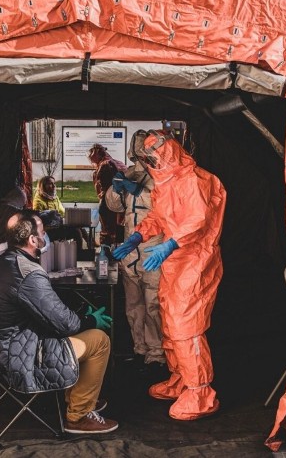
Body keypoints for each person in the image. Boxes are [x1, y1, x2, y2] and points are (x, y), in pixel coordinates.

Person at [113, 130, 226, 421]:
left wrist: (172, 243)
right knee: (169, 323)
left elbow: (197, 220)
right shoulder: (166, 182)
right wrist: (137, 237)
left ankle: (200, 391)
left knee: (186, 327)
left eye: (154, 157)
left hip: (195, 262)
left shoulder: (193, 179)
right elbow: (157, 216)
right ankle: (180, 380)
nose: (151, 162)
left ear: (169, 152)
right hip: (175, 262)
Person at [0, 211, 119, 434]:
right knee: (99, 340)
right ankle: (79, 414)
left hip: (7, 346)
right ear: (33, 240)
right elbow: (66, 325)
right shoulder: (29, 274)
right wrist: (90, 319)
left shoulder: (3, 261)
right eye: (43, 232)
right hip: (23, 354)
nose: (46, 235)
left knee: (75, 334)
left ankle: (79, 398)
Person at [104, 131, 166, 370]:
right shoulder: (131, 173)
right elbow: (113, 205)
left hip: (153, 250)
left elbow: (166, 207)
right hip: (130, 250)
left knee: (153, 305)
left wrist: (140, 191)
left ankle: (157, 352)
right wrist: (117, 187)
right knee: (134, 304)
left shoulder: (161, 178)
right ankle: (139, 347)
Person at [87, 143, 127, 245]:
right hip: (120, 200)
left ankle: (107, 250)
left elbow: (105, 185)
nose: (90, 158)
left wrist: (102, 195)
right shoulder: (114, 163)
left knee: (108, 229)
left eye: (92, 155)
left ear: (98, 155)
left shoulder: (105, 165)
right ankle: (117, 250)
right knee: (118, 226)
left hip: (108, 201)